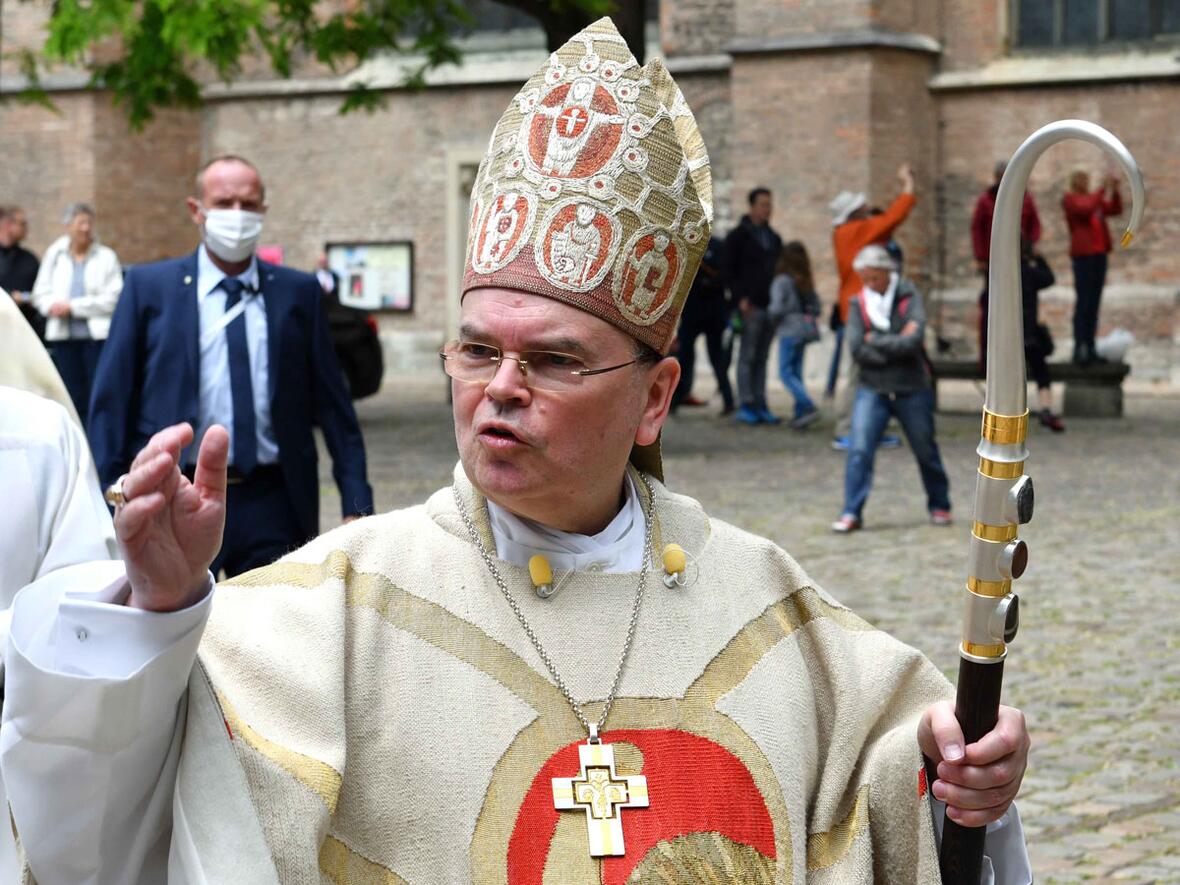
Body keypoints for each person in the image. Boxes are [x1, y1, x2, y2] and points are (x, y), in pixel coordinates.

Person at [1, 21, 1032, 883]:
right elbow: (102, 829)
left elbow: (907, 782)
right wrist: (159, 614)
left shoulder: (770, 608)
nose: (500, 386)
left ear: (655, 398)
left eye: (552, 359)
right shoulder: (329, 614)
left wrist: (958, 779)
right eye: (477, 349)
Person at [87, 156, 374, 577]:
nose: (237, 215)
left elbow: (334, 408)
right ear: (196, 210)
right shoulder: (150, 289)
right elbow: (111, 401)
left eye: (248, 203)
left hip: (274, 499)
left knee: (272, 633)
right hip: (175, 494)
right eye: (223, 202)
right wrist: (109, 495)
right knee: (174, 629)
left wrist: (356, 504)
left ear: (263, 211)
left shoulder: (298, 294)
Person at [832, 245, 953, 533]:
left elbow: (915, 341)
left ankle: (940, 504)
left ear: (888, 273)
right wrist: (894, 343)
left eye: (875, 277)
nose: (870, 284)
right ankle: (852, 511)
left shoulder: (909, 297)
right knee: (859, 449)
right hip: (873, 388)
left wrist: (878, 341)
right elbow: (857, 348)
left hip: (911, 387)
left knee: (925, 448)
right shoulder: (858, 303)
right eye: (866, 278)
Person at [827, 166, 916, 450]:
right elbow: (895, 215)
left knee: (869, 373)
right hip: (859, 311)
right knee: (856, 373)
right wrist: (907, 183)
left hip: (861, 309)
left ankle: (868, 428)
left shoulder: (849, 232)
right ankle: (845, 429)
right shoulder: (855, 231)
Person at [31, 203, 122, 426]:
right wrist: (52, 306)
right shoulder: (55, 254)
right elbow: (39, 293)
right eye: (80, 223)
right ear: (67, 227)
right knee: (71, 396)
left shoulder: (106, 256)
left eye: (89, 223)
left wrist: (73, 307)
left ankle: (98, 441)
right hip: (64, 337)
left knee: (99, 394)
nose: (86, 228)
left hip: (96, 339)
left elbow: (114, 298)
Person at [980, 241, 1065, 433]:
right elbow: (1049, 278)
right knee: (1041, 373)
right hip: (1030, 335)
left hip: (1007, 336)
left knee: (1008, 376)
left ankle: (1004, 411)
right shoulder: (1030, 273)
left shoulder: (999, 274)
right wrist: (1039, 258)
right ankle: (1045, 410)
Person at [724, 187, 783, 424]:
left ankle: (761, 402)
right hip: (750, 307)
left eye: (769, 205)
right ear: (751, 206)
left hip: (770, 307)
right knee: (747, 356)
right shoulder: (738, 236)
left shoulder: (774, 239)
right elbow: (728, 270)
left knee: (762, 357)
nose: (767, 209)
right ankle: (746, 403)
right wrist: (739, 298)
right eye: (762, 205)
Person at [1063, 168, 1122, 366]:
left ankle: (1091, 346)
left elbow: (1114, 209)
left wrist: (1114, 191)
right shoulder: (1071, 199)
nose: (1085, 182)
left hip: (1099, 255)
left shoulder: (1093, 200)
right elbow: (1085, 209)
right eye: (1082, 178)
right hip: (1083, 257)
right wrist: (1102, 189)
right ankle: (1079, 347)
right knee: (1084, 303)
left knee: (1094, 304)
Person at [670, 235, 734, 415]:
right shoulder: (689, 246)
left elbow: (726, 275)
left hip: (713, 313)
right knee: (684, 358)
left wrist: (712, 283)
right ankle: (676, 400)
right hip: (692, 312)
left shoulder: (719, 247)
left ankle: (728, 400)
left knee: (717, 358)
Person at [315, 253, 385, 400]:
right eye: (321, 261)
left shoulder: (334, 276)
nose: (323, 263)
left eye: (325, 261)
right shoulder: (313, 277)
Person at [768, 241, 820, 428]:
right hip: (804, 330)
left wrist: (772, 321)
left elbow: (777, 308)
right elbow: (817, 308)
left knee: (785, 373)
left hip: (788, 329)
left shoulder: (782, 281)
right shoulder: (806, 281)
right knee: (797, 373)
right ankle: (800, 415)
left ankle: (808, 405)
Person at [972, 160, 1042, 274]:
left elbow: (1034, 223)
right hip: (994, 255)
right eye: (1000, 176)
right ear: (996, 177)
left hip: (1020, 254)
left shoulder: (1025, 198)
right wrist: (981, 257)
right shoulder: (985, 200)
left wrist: (1031, 243)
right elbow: (977, 230)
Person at [0, 206, 44, 340]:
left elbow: (39, 290)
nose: (26, 229)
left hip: (22, 329)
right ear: (8, 225)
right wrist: (9, 296)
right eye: (22, 224)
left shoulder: (29, 259)